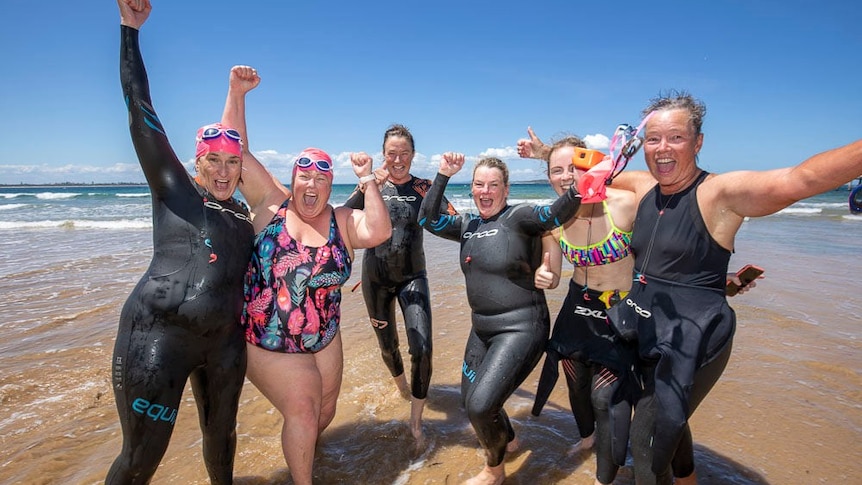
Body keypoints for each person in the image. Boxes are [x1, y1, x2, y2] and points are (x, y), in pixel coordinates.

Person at [595, 91, 862, 485]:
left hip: (695, 338)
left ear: (698, 142)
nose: (662, 148)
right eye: (653, 139)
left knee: (648, 445)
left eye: (676, 138)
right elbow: (591, 173)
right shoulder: (642, 185)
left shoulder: (720, 192)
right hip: (644, 325)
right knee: (654, 416)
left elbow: (800, 179)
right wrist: (545, 152)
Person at [220, 65, 392, 485]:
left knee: (326, 409)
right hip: (267, 337)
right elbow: (234, 151)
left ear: (331, 184)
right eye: (304, 177)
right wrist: (237, 94)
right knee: (303, 405)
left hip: (324, 335)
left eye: (321, 178)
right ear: (293, 179)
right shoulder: (270, 204)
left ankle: (300, 451)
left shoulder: (343, 220)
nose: (311, 185)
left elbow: (380, 231)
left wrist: (369, 180)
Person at [109, 1, 253, 483]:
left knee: (222, 445)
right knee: (141, 459)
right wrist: (131, 30)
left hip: (225, 345)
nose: (223, 170)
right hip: (158, 336)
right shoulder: (175, 189)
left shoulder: (243, 216)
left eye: (232, 162)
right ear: (196, 162)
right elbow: (139, 106)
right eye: (213, 160)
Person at [418, 154, 583, 485]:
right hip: (482, 330)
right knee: (470, 400)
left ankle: (494, 471)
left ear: (506, 189)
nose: (485, 191)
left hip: (522, 327)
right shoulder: (467, 225)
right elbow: (428, 219)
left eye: (494, 185)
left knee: (480, 406)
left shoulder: (520, 217)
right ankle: (508, 440)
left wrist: (581, 188)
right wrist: (443, 175)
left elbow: (554, 212)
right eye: (479, 184)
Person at [520, 134, 638, 485]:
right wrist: (545, 275)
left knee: (605, 395)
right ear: (549, 178)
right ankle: (588, 438)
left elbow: (669, 241)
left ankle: (608, 469)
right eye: (557, 170)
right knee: (573, 379)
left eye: (574, 167)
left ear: (592, 165)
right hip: (577, 303)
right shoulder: (554, 220)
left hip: (619, 308)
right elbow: (553, 271)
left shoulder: (626, 204)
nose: (566, 176)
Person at [342, 124, 457, 446]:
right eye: (392, 153)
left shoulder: (423, 187)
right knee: (387, 346)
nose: (398, 159)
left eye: (404, 153)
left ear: (413, 155)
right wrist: (366, 183)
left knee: (422, 347)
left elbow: (452, 221)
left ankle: (416, 421)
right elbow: (340, 220)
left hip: (412, 276)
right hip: (375, 278)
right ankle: (402, 388)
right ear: (383, 154)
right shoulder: (371, 186)